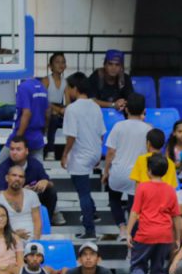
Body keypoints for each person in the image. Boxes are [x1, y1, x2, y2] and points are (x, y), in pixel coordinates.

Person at [127, 155, 182, 274]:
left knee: (137, 265)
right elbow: (176, 216)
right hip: (165, 234)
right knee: (158, 268)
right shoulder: (170, 190)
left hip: (146, 233)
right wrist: (177, 237)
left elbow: (135, 212)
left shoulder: (143, 187)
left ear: (149, 170)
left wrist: (128, 232)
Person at [61, 72, 106, 239]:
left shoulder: (72, 109)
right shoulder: (95, 106)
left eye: (68, 87)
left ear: (75, 88)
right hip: (94, 151)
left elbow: (71, 136)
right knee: (84, 189)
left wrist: (65, 154)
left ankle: (89, 229)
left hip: (80, 154)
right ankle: (92, 211)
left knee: (83, 193)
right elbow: (101, 133)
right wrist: (97, 153)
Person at [103, 93, 150, 241]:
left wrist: (106, 171)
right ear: (143, 110)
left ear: (127, 109)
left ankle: (122, 229)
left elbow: (110, 152)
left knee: (114, 198)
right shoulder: (148, 129)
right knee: (134, 206)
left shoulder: (118, 126)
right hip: (137, 174)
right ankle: (132, 236)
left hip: (118, 171)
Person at [0, 136, 60, 225]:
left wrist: (45, 182)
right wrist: (21, 191)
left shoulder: (35, 164)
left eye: (18, 149)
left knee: (51, 191)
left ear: (26, 151)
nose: (14, 152)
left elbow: (51, 184)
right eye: (12, 149)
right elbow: (1, 195)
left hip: (33, 198)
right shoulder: (3, 168)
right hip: (13, 201)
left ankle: (46, 222)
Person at [0, 165, 42, 241]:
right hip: (10, 241)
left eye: (21, 176)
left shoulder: (32, 195)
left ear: (24, 180)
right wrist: (14, 235)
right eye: (14, 175)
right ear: (7, 178)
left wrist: (35, 241)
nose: (17, 178)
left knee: (59, 238)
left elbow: (37, 221)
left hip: (33, 240)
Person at [43, 52, 69, 159]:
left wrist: (66, 110)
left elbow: (68, 102)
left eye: (63, 62)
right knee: (52, 115)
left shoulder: (65, 82)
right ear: (50, 66)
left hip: (59, 108)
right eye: (57, 62)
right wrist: (58, 110)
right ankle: (50, 150)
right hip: (47, 108)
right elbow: (43, 100)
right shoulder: (46, 80)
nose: (60, 65)